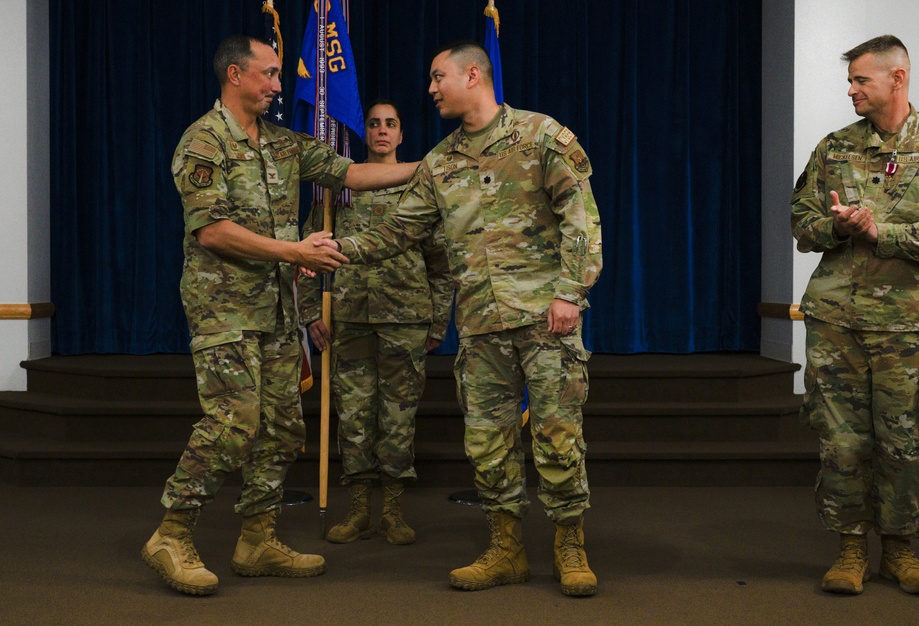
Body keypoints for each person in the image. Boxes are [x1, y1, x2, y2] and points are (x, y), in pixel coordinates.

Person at [317, 40, 603, 597]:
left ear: (472, 75)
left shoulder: (542, 136)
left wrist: (570, 293)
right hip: (479, 327)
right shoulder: (440, 161)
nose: (429, 89)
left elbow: (581, 218)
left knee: (558, 438)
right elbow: (399, 232)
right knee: (488, 443)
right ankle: (506, 549)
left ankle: (570, 545)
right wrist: (332, 252)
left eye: (436, 77)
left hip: (546, 322)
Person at [141, 35, 418, 597]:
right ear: (236, 75)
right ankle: (172, 532)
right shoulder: (203, 140)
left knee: (281, 428)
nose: (277, 85)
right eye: (269, 74)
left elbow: (353, 174)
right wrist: (294, 252)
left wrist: (436, 165)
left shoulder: (284, 144)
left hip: (277, 312)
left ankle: (257, 539)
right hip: (226, 310)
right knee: (232, 422)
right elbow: (212, 230)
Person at [790, 35, 919, 596]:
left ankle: (900, 552)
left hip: (911, 326)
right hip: (837, 321)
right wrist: (838, 227)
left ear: (897, 78)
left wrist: (882, 232)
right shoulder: (833, 148)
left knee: (905, 440)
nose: (851, 90)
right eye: (849, 81)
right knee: (842, 441)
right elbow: (801, 221)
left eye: (861, 80)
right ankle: (850, 550)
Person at [298, 99, 453, 546]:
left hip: (405, 318)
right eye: (374, 124)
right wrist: (310, 314)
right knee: (354, 416)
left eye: (391, 123)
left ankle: (393, 510)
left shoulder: (421, 189)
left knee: (398, 418)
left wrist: (438, 323)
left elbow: (441, 266)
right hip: (348, 318)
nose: (382, 131)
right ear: (363, 131)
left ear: (402, 134)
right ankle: (360, 509)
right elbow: (310, 254)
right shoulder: (338, 190)